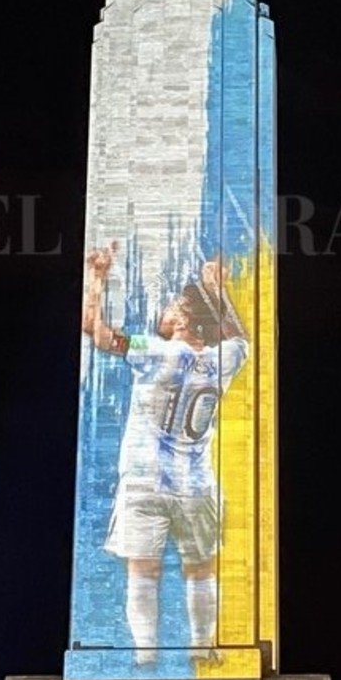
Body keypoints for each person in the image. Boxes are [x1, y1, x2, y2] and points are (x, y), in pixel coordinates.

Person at [82, 244, 249, 658]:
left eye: (173, 305)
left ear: (184, 321)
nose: (166, 310)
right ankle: (200, 648)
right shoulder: (221, 360)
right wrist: (217, 291)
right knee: (200, 571)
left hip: (144, 479)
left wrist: (97, 279)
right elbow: (240, 338)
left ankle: (146, 655)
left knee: (143, 572)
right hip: (195, 485)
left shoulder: (156, 350)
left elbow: (95, 331)